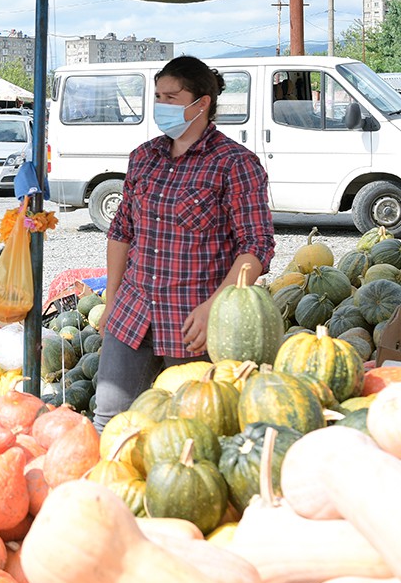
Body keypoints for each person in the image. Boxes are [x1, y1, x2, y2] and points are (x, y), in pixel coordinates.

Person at [91, 56, 274, 431]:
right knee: (110, 419)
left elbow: (256, 246)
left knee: (191, 427)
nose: (161, 105)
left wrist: (216, 309)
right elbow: (122, 231)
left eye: (172, 97)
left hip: (193, 323)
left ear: (201, 102)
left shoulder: (236, 164)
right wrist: (111, 301)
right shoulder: (143, 158)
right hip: (133, 311)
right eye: (158, 96)